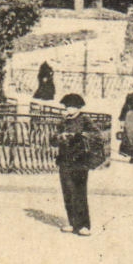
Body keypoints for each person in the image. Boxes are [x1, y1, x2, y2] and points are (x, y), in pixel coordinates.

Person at [51, 93, 106, 235]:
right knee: (67, 192)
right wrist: (60, 137)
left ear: (78, 107)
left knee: (79, 191)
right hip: (65, 159)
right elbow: (52, 139)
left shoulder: (85, 120)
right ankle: (72, 223)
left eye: (72, 107)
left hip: (80, 160)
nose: (69, 109)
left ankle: (84, 225)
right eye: (67, 106)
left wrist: (81, 135)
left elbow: (98, 136)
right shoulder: (63, 121)